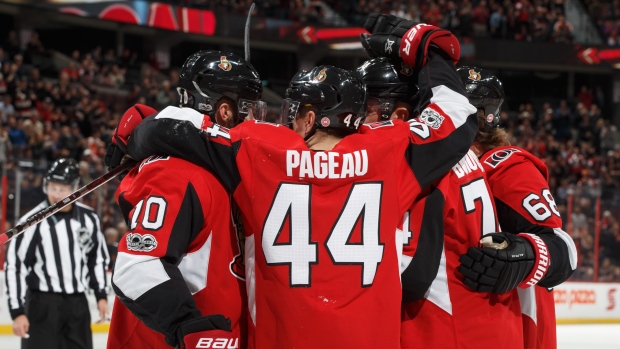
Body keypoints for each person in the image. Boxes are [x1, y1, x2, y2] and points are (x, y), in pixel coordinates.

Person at [105, 19, 478, 348]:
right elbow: (458, 116)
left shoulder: (263, 152)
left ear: (312, 116)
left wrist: (138, 133)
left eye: (294, 112)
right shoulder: (390, 153)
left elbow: (177, 131)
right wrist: (430, 51)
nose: (287, 121)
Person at [358, 58, 523, 349]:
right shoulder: (452, 155)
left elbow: (412, 276)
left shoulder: (422, 168)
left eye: (366, 108)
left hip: (441, 329)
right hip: (485, 323)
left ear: (399, 113)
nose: (355, 120)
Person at [106, 51, 263, 349]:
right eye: (250, 109)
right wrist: (186, 325)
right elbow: (137, 265)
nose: (256, 119)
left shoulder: (219, 168)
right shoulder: (176, 173)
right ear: (226, 112)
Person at [455, 66, 578, 349]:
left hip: (516, 329)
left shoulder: (506, 167)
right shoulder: (438, 167)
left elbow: (564, 249)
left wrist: (526, 255)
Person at [4, 158, 109, 349]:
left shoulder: (89, 219)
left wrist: (101, 295)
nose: (56, 195)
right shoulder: (30, 222)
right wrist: (17, 311)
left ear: (75, 188)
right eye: (52, 187)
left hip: (78, 306)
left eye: (62, 189)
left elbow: (97, 259)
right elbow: (15, 267)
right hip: (42, 306)